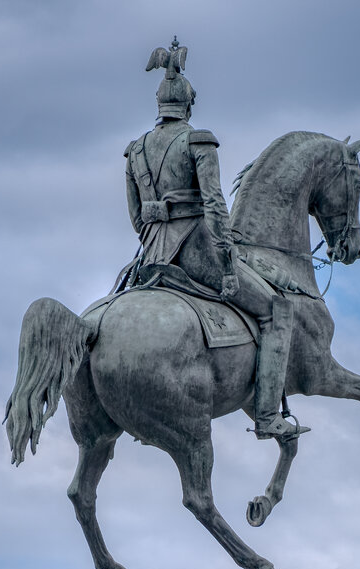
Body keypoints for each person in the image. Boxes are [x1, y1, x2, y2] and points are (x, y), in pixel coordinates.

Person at [122, 39, 308, 442]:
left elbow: (137, 217)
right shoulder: (197, 141)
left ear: (160, 107)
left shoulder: (135, 150)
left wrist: (157, 236)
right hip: (197, 250)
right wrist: (225, 256)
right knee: (277, 311)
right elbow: (213, 203)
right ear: (188, 106)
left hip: (151, 256)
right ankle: (266, 417)